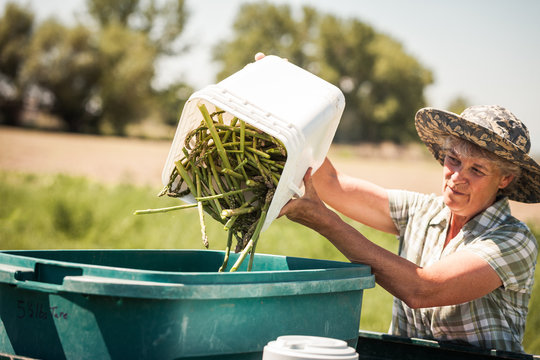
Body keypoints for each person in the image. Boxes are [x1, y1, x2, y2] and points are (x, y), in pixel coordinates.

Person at [278, 102, 540, 352]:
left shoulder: (514, 239)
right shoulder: (423, 210)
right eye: (454, 160)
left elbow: (422, 289)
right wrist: (288, 116)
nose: (457, 177)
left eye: (477, 170)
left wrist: (326, 223)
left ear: (504, 178)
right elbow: (332, 184)